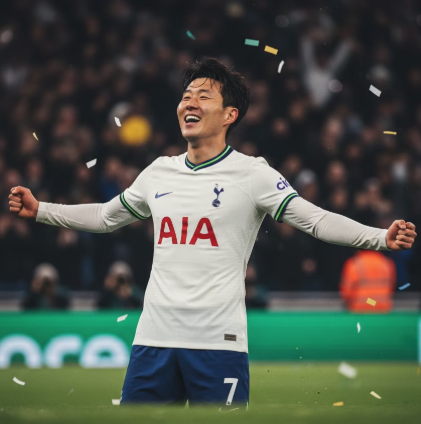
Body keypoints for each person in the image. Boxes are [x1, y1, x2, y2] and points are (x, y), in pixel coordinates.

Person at [8, 58, 416, 408]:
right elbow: (103, 216)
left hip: (218, 343)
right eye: (186, 95)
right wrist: (41, 210)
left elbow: (316, 219)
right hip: (153, 340)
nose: (190, 102)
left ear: (229, 115)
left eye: (203, 96)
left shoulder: (253, 174)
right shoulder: (159, 171)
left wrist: (379, 237)